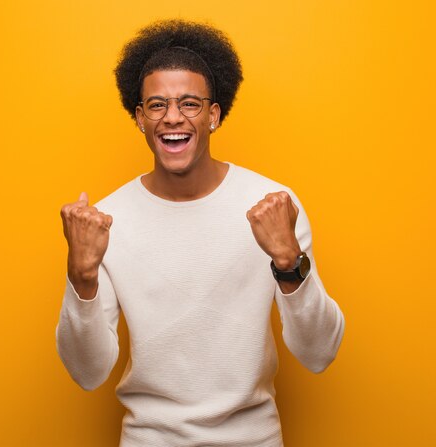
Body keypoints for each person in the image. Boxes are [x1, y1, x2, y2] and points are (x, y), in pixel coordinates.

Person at [56, 19, 345, 447]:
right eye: (156, 105)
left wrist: (289, 266)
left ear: (214, 115)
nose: (172, 117)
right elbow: (87, 373)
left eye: (190, 103)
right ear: (139, 118)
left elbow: (319, 354)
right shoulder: (106, 221)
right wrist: (82, 278)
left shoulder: (274, 205)